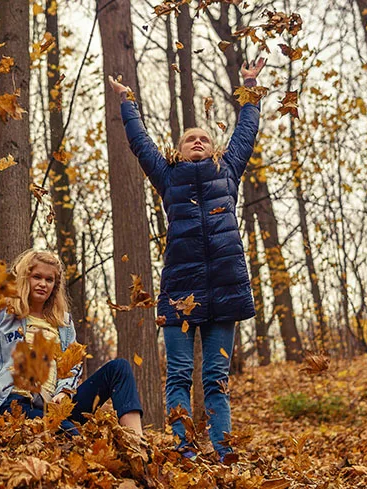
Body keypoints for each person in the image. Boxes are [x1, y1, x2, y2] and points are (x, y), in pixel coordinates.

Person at [108, 58, 267, 462]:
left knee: (216, 380)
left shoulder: (227, 172)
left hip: (226, 291)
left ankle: (223, 451)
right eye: (189, 139)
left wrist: (249, 85)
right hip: (181, 291)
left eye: (204, 138)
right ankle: (183, 450)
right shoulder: (168, 177)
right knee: (178, 375)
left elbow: (246, 134)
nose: (197, 141)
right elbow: (140, 143)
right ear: (177, 151)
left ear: (214, 148)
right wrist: (128, 102)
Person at [0, 249, 144, 437]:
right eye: (37, 277)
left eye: (49, 280)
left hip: (55, 405)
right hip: (12, 402)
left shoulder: (63, 322)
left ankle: (136, 444)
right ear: (26, 278)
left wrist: (64, 392)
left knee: (119, 368)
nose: (43, 284)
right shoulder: (3, 313)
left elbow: (71, 367)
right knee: (71, 436)